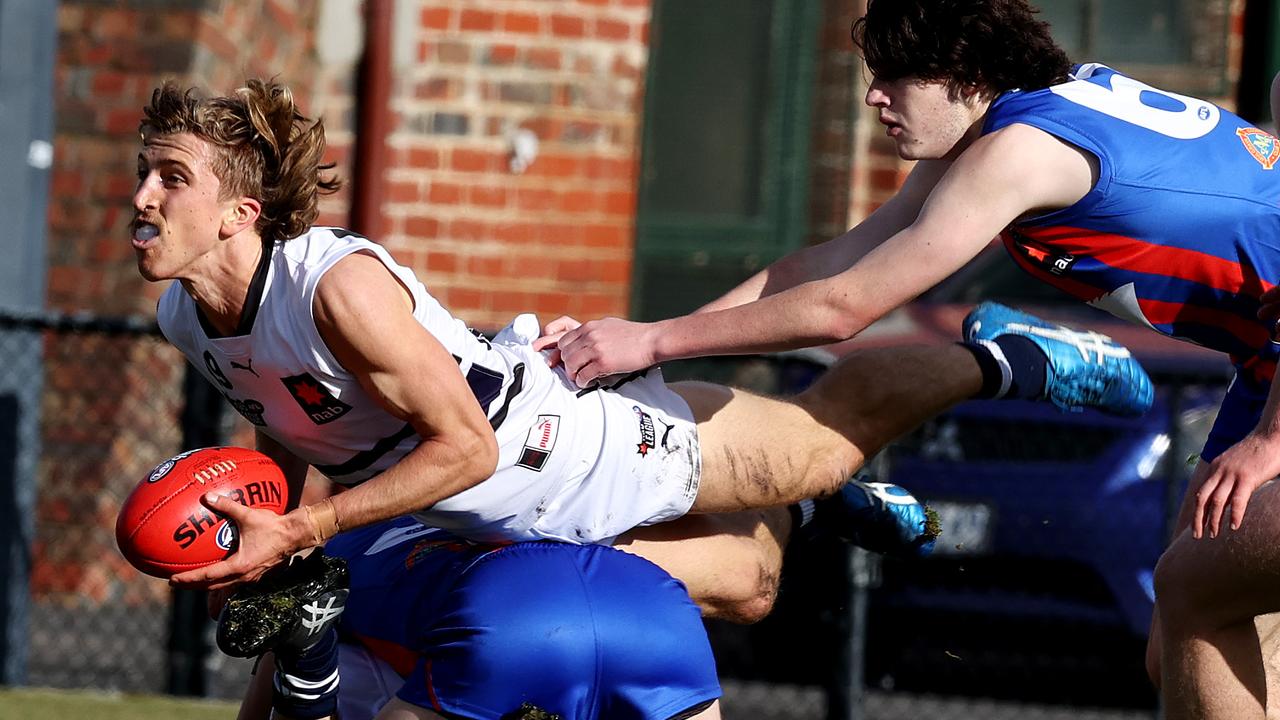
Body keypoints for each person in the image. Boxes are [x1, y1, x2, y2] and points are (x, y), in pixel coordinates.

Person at [131, 77, 1149, 604]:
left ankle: (1002, 355)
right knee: (748, 590)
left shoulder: (334, 288)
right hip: (469, 505)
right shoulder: (186, 310)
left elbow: (467, 449)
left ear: (242, 213)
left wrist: (312, 530)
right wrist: (267, 511)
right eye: (145, 173)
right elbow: (289, 419)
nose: (141, 198)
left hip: (552, 454)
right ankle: (812, 503)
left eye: (170, 177)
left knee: (825, 435)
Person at [544, 1, 1280, 717]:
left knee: (1194, 597)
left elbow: (843, 309)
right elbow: (828, 266)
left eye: (894, 76)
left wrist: (651, 342)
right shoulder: (1013, 122)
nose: (873, 94)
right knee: (1190, 639)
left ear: (961, 74)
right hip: (1264, 368)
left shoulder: (1018, 152)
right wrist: (652, 348)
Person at [234, 516, 727, 720]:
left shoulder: (336, 559)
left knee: (312, 651)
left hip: (508, 619)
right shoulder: (456, 500)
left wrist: (307, 669)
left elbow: (261, 704)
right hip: (652, 603)